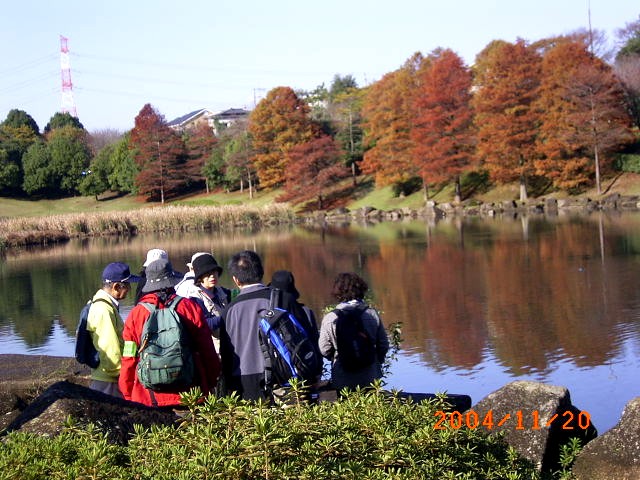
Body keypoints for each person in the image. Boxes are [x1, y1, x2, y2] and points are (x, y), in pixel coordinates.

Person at [119, 258, 221, 407]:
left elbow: (129, 356)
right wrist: (210, 382)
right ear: (171, 280)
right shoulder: (189, 308)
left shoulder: (136, 314)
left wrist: (127, 391)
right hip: (190, 394)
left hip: (149, 398)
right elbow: (207, 350)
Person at [220, 250, 312, 401]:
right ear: (261, 272)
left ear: (236, 280)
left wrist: (229, 386)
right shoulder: (283, 299)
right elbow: (306, 336)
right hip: (283, 377)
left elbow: (226, 353)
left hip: (243, 381)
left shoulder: (229, 310)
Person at [318, 272, 390, 392]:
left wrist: (340, 356)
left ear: (338, 292)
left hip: (342, 377)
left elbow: (324, 349)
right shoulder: (371, 314)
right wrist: (376, 361)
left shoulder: (330, 317)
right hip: (370, 376)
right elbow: (383, 345)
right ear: (361, 289)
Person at [87, 261, 140, 397]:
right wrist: (124, 374)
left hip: (106, 377)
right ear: (116, 286)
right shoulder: (104, 310)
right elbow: (110, 350)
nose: (129, 289)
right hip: (109, 380)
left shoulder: (106, 306)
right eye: (127, 285)